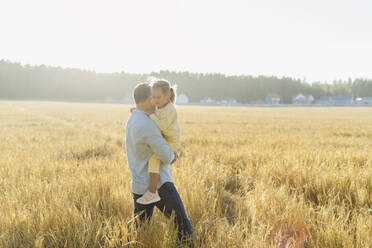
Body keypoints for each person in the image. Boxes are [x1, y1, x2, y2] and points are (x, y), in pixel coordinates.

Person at [125, 82, 193, 245]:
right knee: (182, 225)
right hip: (160, 185)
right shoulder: (148, 124)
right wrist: (173, 155)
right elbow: (165, 155)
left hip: (140, 184)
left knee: (138, 230)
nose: (156, 102)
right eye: (153, 98)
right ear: (148, 99)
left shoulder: (133, 119)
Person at [136, 79, 180, 205]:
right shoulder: (160, 105)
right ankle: (152, 190)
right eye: (153, 97)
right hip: (166, 138)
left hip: (171, 140)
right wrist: (138, 110)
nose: (155, 100)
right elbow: (150, 111)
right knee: (155, 159)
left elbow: (163, 126)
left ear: (167, 96)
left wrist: (151, 115)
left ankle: (152, 192)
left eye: (158, 97)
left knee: (154, 160)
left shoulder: (170, 109)